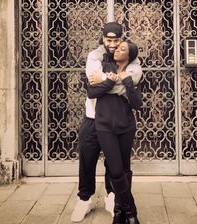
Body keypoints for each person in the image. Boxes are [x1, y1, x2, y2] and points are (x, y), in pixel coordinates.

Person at [71, 22, 142, 223]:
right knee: (87, 159)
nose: (112, 45)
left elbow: (135, 76)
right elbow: (91, 80)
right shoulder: (95, 55)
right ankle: (85, 198)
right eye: (109, 40)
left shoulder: (129, 53)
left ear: (122, 38)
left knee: (116, 164)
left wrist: (106, 80)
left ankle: (114, 198)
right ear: (103, 38)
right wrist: (118, 80)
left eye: (116, 40)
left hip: (117, 120)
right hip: (92, 118)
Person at [87, 40, 141, 224]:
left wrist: (126, 81)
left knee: (125, 169)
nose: (116, 49)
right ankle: (131, 211)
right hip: (104, 126)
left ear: (129, 56)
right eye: (117, 47)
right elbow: (91, 92)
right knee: (116, 171)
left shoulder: (133, 74)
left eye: (122, 48)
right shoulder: (104, 66)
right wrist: (108, 80)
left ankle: (120, 213)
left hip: (126, 126)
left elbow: (137, 104)